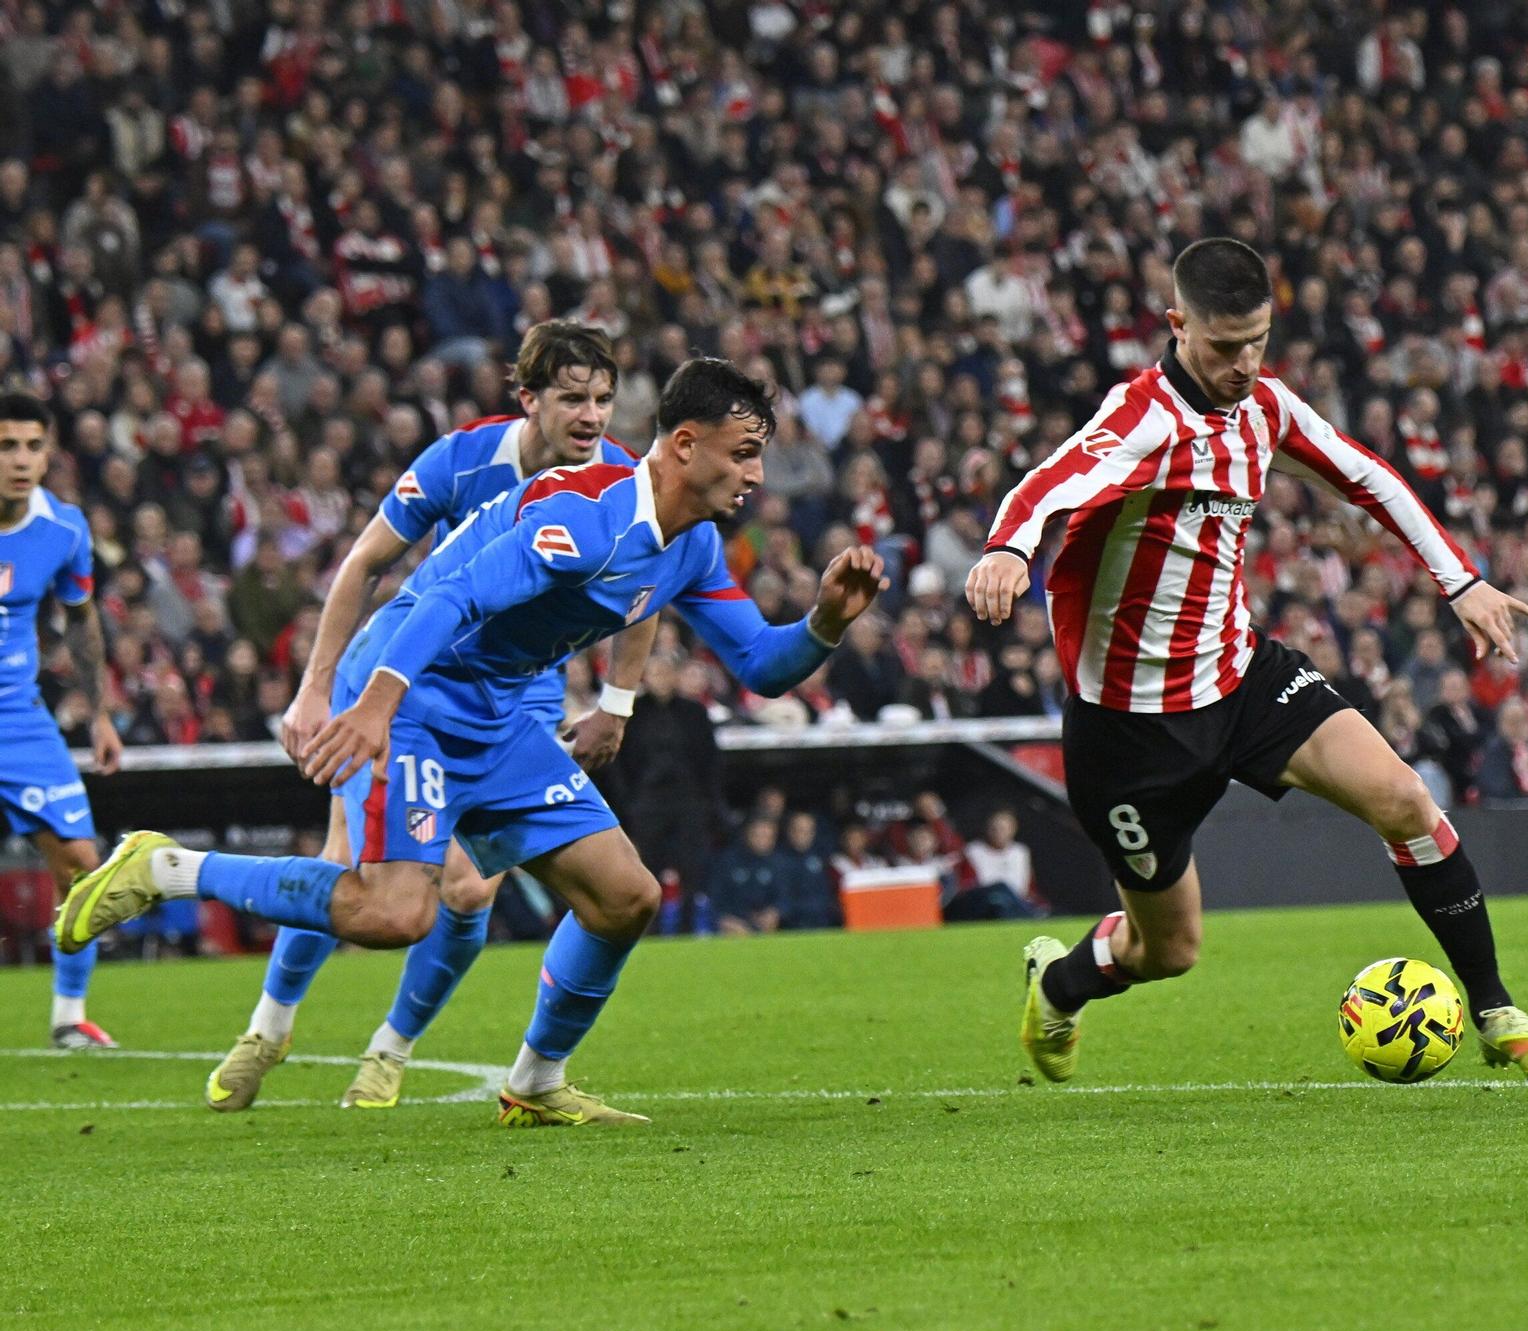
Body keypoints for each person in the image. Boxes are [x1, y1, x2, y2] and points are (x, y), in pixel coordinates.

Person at [58, 358, 887, 1126]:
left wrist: (824, 622)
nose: (756, 476)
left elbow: (760, 663)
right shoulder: (586, 518)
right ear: (683, 443)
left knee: (624, 896)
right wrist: (378, 703)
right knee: (393, 911)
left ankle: (533, 1081)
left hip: (494, 712)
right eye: (744, 454)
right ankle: (164, 867)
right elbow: (450, 595)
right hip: (415, 691)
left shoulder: (692, 545)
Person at [964, 238, 1528, 1084]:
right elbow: (1046, 482)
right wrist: (1006, 551)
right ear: (1177, 326)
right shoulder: (1143, 419)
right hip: (1129, 732)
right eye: (1223, 347)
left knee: (1403, 795)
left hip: (1241, 677)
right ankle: (1061, 984)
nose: (1244, 365)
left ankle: (1495, 1007)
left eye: (1257, 342)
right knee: (1167, 948)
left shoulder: (1268, 408)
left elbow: (1370, 478)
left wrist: (1460, 580)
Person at [200, 321, 654, 1114]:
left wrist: (617, 697)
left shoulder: (621, 479)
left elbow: (650, 584)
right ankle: (268, 1029)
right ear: (530, 400)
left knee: (470, 893)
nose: (591, 416)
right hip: (408, 679)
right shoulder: (460, 459)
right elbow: (364, 564)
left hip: (520, 697)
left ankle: (389, 1051)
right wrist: (313, 690)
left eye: (603, 399)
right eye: (573, 398)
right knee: (354, 866)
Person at [0, 392, 124, 1049]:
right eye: (5, 446)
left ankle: (69, 1016)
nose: (20, 460)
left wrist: (100, 714)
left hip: (16, 718)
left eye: (31, 445)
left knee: (82, 862)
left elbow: (81, 621)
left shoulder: (65, 529)